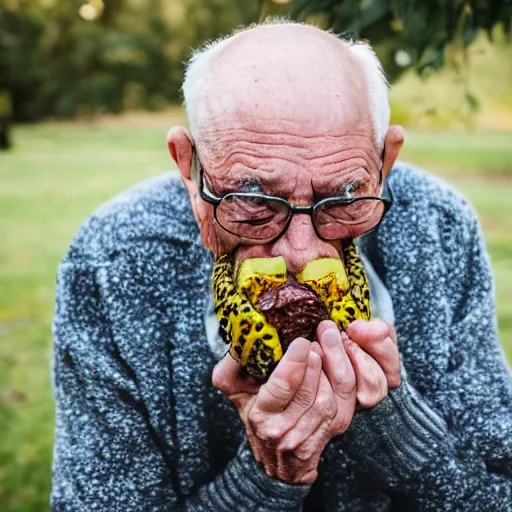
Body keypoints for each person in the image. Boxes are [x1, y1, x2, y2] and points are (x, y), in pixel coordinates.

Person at [51, 21, 512, 511]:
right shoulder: (114, 260)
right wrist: (264, 478)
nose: (299, 252)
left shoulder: (440, 230)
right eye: (253, 201)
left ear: (385, 161)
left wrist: (393, 427)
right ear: (189, 168)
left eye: (341, 198)